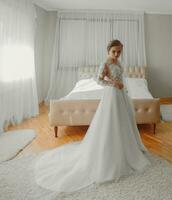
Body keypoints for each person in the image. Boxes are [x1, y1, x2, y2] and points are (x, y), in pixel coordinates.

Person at [34, 40, 150, 192]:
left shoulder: (119, 62)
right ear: (108, 51)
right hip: (111, 95)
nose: (116, 54)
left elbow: (122, 79)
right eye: (114, 51)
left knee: (123, 122)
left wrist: (124, 89)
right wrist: (114, 84)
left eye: (119, 52)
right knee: (110, 122)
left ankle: (126, 148)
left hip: (121, 95)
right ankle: (109, 152)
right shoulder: (106, 63)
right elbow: (99, 80)